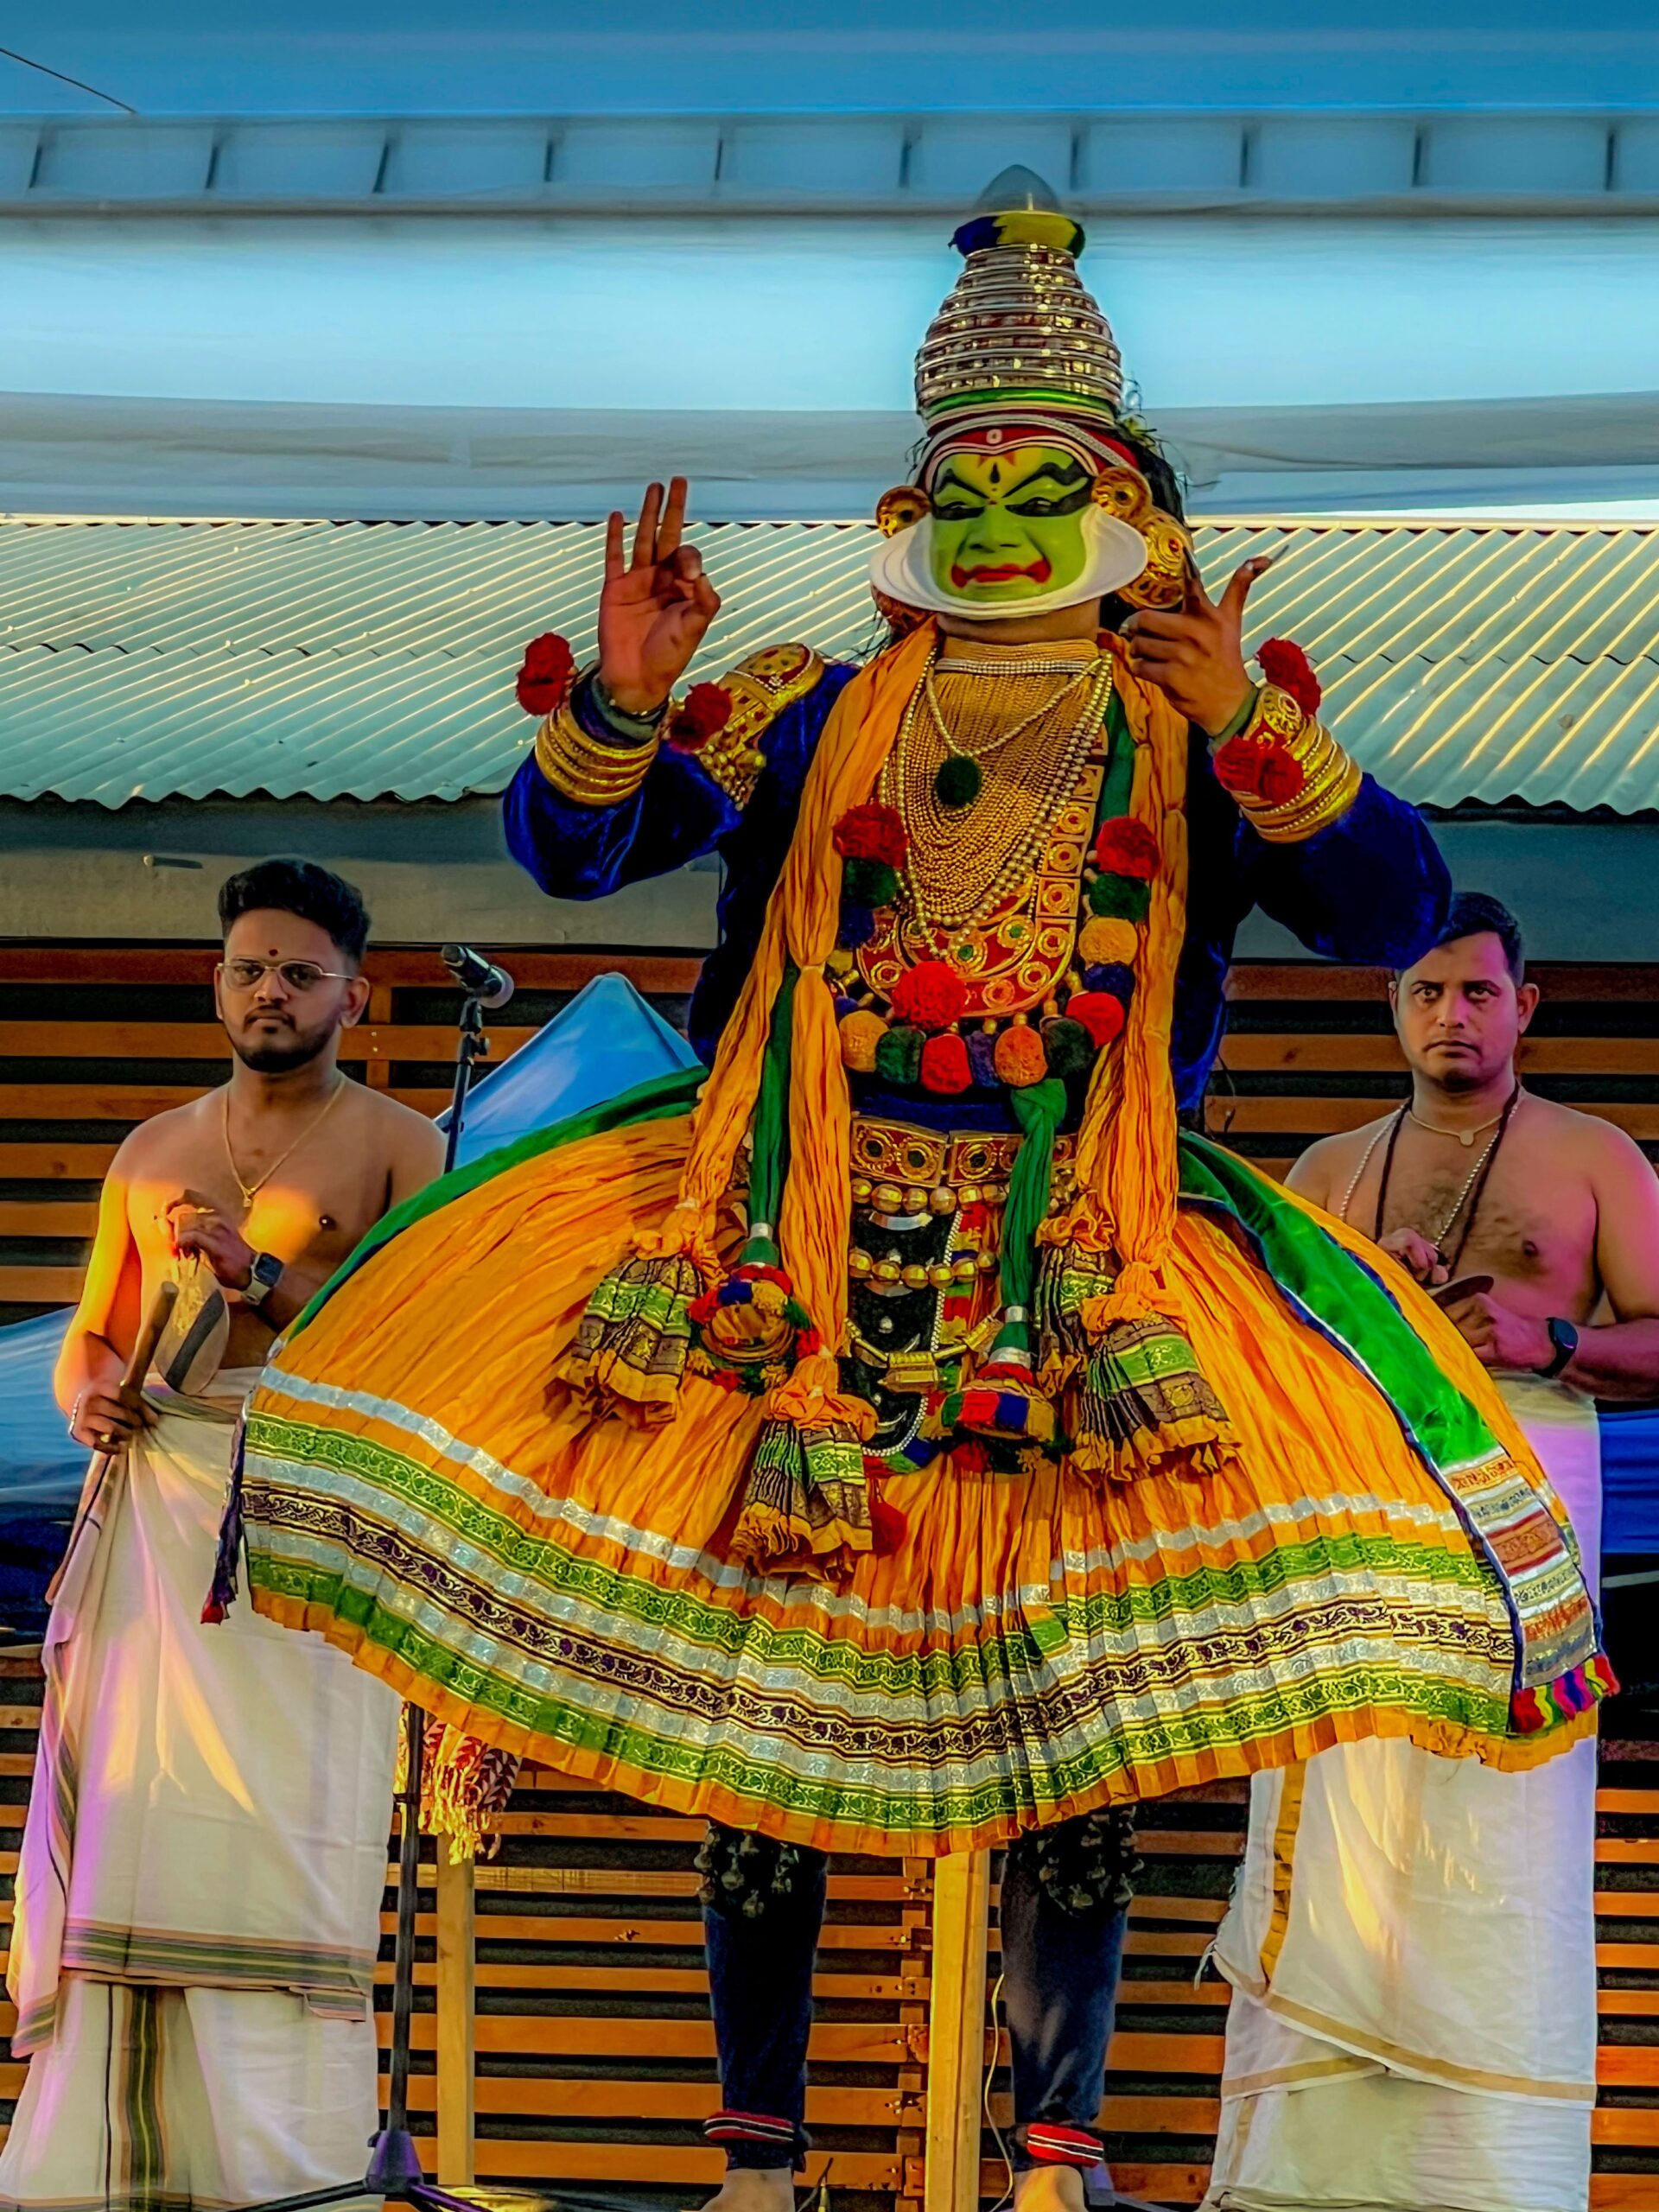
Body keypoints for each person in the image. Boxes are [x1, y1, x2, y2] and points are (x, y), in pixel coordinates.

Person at [231, 182, 1605, 2212]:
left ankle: (1054, 2154)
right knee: (764, 1713)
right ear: (911, 510)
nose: (1003, 525)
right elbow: (576, 853)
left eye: (1048, 487)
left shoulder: (1191, 723)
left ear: (1127, 510)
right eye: (967, 487)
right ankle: (758, 2162)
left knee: (1076, 1721)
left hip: (1085, 1269)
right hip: (783, 1252)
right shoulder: (811, 703)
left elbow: (1390, 910)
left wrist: (1248, 725)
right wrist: (626, 696)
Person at [1205, 890, 1659, 2212]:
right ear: (1391, 1006)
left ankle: (1494, 2179)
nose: (1451, 1014)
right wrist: (1371, 1305)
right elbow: (1259, 1357)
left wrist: (1548, 1342)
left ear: (1527, 1005)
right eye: (1425, 992)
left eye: (1477, 992)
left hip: (1530, 1515)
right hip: (1359, 1518)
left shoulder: (1594, 1157)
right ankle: (1303, 2175)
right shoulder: (1328, 1172)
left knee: (1503, 1825)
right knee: (1346, 1797)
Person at [2, 860, 444, 2209]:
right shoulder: (152, 1149)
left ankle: (286, 2174)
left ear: (352, 999)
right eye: (250, 969)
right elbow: (91, 1333)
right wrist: (88, 1396)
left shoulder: (401, 1146)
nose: (271, 993)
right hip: (155, 1511)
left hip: (304, 1515)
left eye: (300, 974)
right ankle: (106, 2172)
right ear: (217, 986)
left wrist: (264, 1274)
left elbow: (408, 1340)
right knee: (136, 1817)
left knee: (284, 1840)